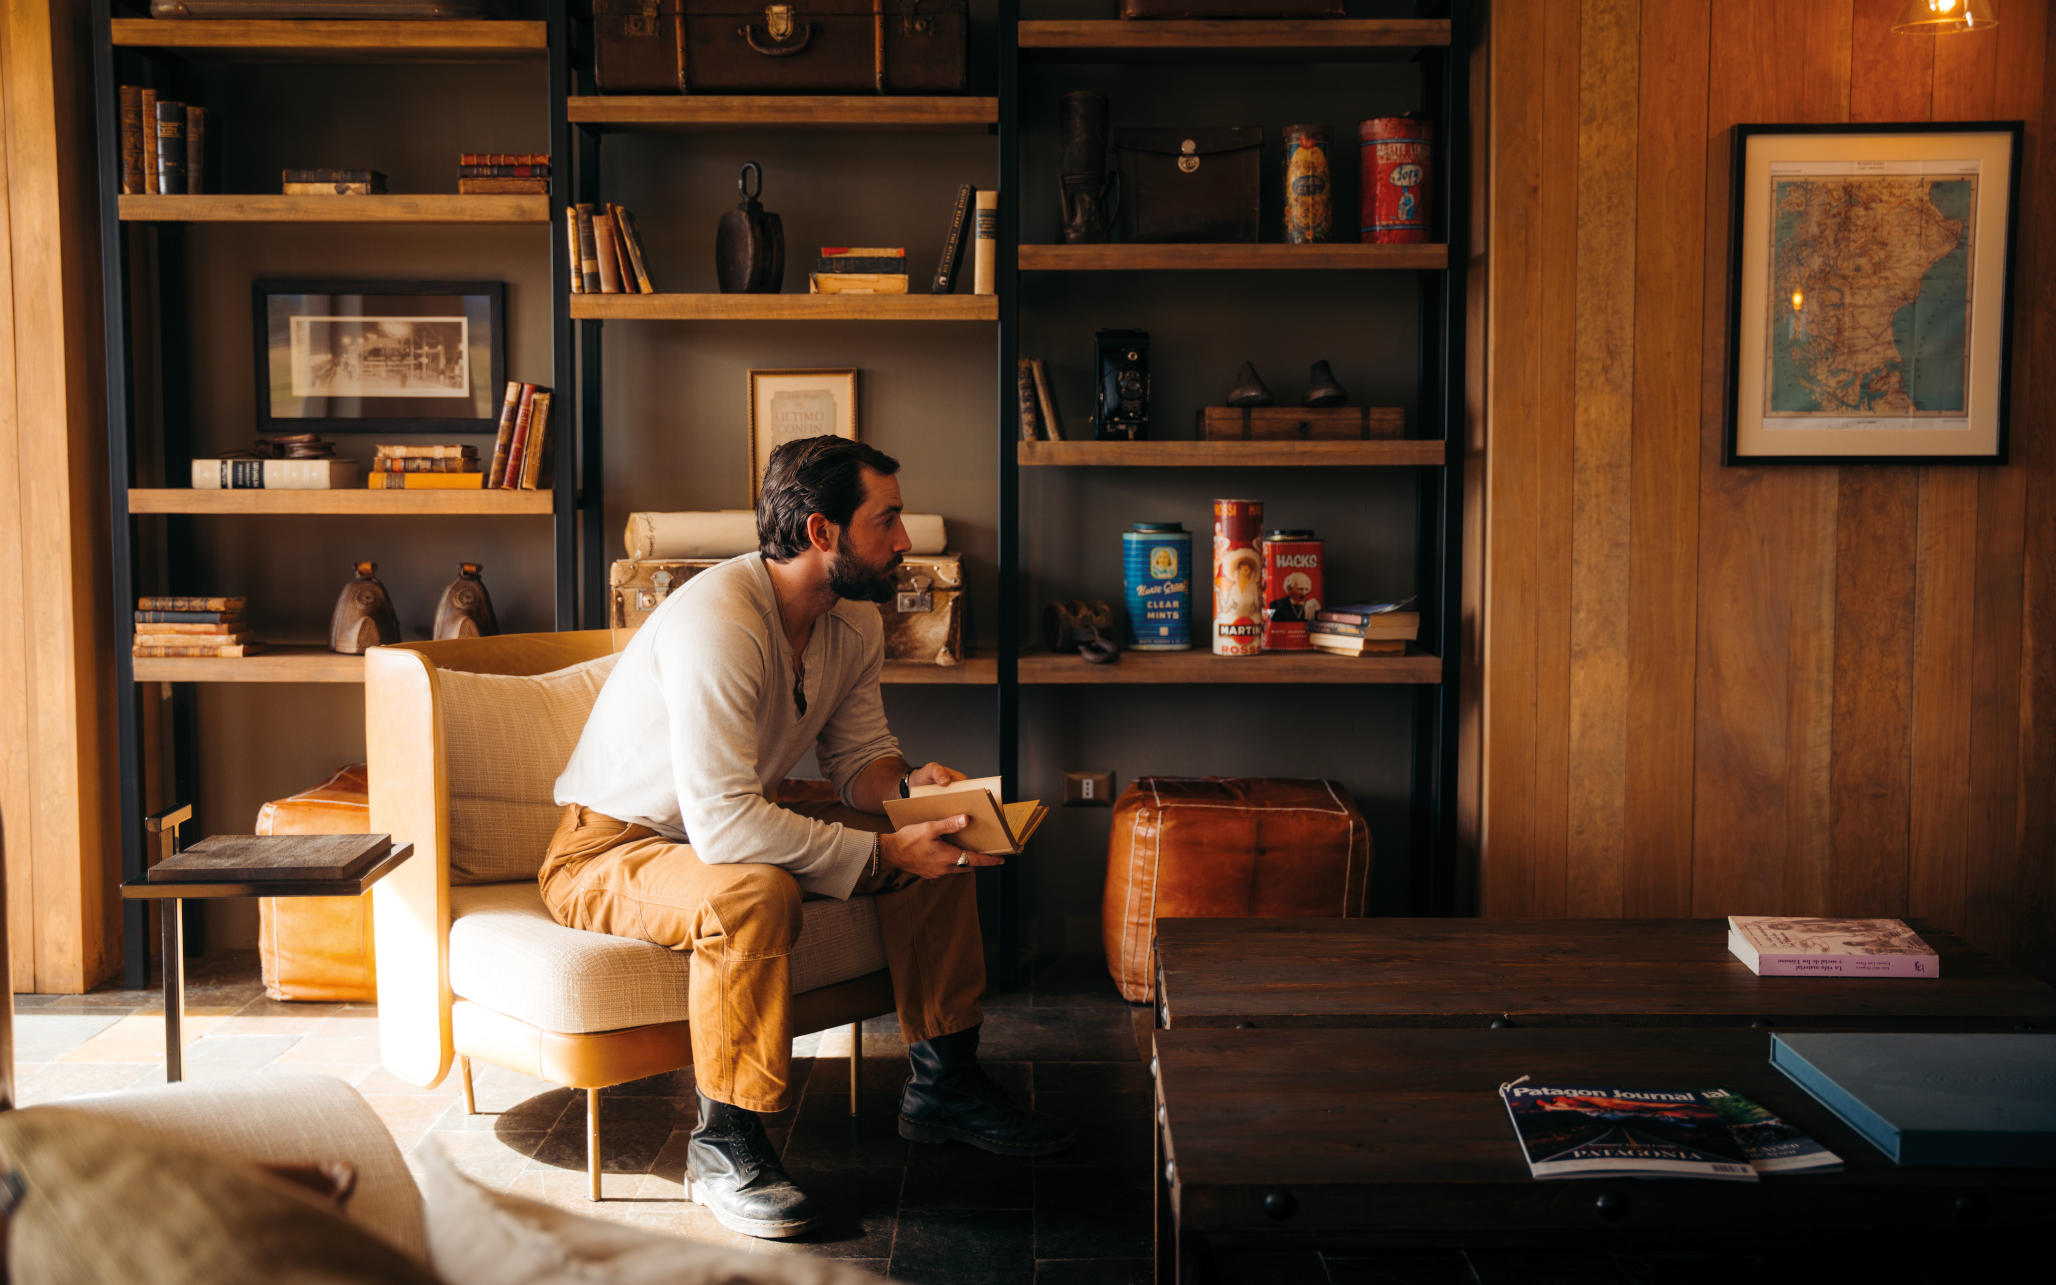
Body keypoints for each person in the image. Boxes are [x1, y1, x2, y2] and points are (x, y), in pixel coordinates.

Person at [544, 436, 1071, 1239]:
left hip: (724, 817)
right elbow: (723, 826)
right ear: (823, 533)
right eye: (886, 520)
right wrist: (881, 854)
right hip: (612, 846)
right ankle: (724, 1142)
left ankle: (944, 1083)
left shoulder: (851, 618)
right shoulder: (720, 623)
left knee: (937, 825)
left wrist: (903, 793)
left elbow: (859, 759)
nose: (904, 540)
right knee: (755, 892)